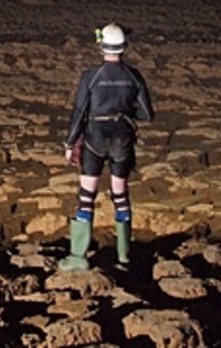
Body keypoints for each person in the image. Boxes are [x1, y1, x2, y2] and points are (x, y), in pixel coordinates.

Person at [59, 23, 154, 272]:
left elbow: (79, 113)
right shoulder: (134, 76)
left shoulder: (91, 77)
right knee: (120, 195)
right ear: (124, 47)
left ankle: (78, 256)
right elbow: (146, 114)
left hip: (94, 138)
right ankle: (124, 254)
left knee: (86, 197)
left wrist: (70, 143)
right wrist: (123, 111)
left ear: (102, 46)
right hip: (122, 138)